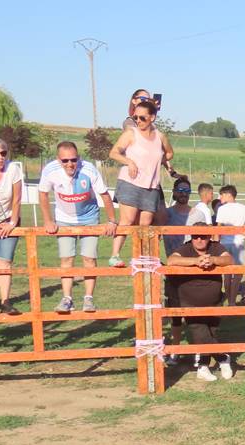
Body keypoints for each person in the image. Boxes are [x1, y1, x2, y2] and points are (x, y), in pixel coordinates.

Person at [37, 142, 117, 314]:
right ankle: (67, 299)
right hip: (64, 219)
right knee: (66, 259)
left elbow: (104, 195)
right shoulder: (50, 171)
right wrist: (48, 220)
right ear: (58, 160)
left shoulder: (89, 170)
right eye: (65, 160)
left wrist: (112, 221)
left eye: (73, 159)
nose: (70, 164)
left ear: (78, 158)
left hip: (89, 218)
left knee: (89, 258)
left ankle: (88, 299)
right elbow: (43, 194)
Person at [108, 100, 174, 268]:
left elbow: (170, 153)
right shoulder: (131, 133)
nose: (138, 120)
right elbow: (114, 153)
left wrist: (157, 162)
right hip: (130, 182)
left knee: (145, 224)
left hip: (151, 186)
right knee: (127, 220)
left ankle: (143, 256)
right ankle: (115, 255)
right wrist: (129, 161)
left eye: (142, 118)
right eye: (135, 117)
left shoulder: (160, 136)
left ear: (152, 117)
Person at [166, 223, 234, 381]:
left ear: (209, 237)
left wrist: (213, 260)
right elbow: (171, 260)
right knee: (200, 331)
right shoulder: (186, 248)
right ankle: (223, 357)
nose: (199, 239)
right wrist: (196, 261)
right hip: (189, 301)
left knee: (211, 332)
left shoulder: (215, 247)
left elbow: (229, 259)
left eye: (203, 236)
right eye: (195, 236)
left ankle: (203, 366)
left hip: (214, 300)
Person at [163, 177, 193, 366]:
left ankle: (198, 349)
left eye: (187, 190)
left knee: (195, 311)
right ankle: (175, 349)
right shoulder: (166, 214)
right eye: (180, 190)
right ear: (174, 192)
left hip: (192, 268)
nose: (183, 193)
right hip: (173, 268)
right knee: (174, 313)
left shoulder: (196, 213)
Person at [0, 137, 23, 315]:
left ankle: (5, 302)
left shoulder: (13, 169)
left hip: (9, 220)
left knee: (5, 262)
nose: (0, 157)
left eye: (3, 153)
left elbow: (17, 199)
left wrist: (11, 223)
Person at [215, 185, 245, 304]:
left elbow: (218, 228)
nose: (220, 197)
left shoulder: (221, 209)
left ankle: (229, 299)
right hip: (239, 243)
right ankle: (232, 301)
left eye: (222, 194)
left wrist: (216, 243)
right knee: (238, 273)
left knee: (227, 274)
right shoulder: (244, 208)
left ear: (229, 195)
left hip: (224, 243)